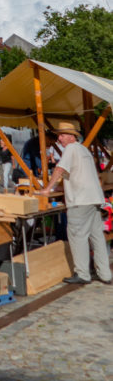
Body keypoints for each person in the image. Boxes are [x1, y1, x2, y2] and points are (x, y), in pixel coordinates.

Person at [37, 120, 112, 285]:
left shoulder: (70, 149)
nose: (59, 139)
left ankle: (83, 274)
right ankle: (105, 274)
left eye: (62, 135)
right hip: (93, 198)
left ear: (71, 137)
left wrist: (48, 189)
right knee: (97, 237)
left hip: (81, 200)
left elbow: (60, 169)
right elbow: (78, 176)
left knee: (78, 236)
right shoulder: (83, 150)